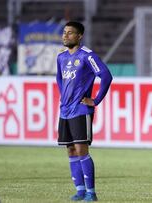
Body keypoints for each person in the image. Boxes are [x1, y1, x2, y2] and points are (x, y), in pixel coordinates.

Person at [56, 21, 113, 201]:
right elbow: (59, 78)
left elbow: (106, 75)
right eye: (64, 32)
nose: (65, 35)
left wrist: (95, 100)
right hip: (65, 110)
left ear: (79, 36)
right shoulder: (61, 57)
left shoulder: (87, 56)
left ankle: (91, 192)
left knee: (81, 149)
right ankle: (80, 190)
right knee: (71, 150)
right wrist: (64, 96)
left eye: (70, 33)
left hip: (81, 110)